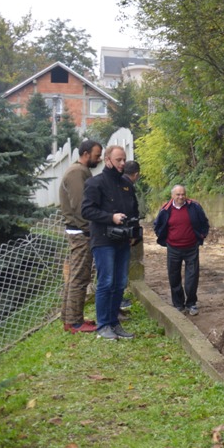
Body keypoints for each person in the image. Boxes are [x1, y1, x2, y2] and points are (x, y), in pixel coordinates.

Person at [82, 145, 139, 340]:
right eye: (118, 160)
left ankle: (114, 322)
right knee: (106, 281)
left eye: (124, 159)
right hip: (103, 240)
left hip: (123, 240)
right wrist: (110, 217)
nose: (123, 163)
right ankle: (103, 325)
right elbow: (87, 211)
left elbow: (134, 210)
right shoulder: (94, 183)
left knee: (120, 282)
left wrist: (135, 233)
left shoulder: (126, 183)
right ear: (107, 160)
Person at [59, 139, 103, 333]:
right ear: (86, 154)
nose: (99, 158)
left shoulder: (80, 171)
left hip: (78, 230)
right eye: (96, 155)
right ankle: (75, 322)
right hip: (80, 231)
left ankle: (68, 318)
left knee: (76, 276)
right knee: (79, 277)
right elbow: (80, 205)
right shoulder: (77, 173)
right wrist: (89, 229)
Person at [153, 184, 209, 316]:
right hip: (173, 248)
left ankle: (191, 303)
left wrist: (202, 235)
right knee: (174, 277)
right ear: (172, 196)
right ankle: (178, 304)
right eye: (178, 194)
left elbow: (204, 222)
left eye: (183, 194)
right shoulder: (166, 209)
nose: (181, 197)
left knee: (192, 277)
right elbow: (157, 225)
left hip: (191, 247)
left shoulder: (194, 206)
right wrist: (164, 239)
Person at [121, 160, 143, 306]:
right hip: (124, 233)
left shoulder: (117, 183)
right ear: (136, 174)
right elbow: (131, 211)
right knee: (121, 267)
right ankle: (119, 300)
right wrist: (134, 233)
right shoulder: (126, 187)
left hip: (119, 231)